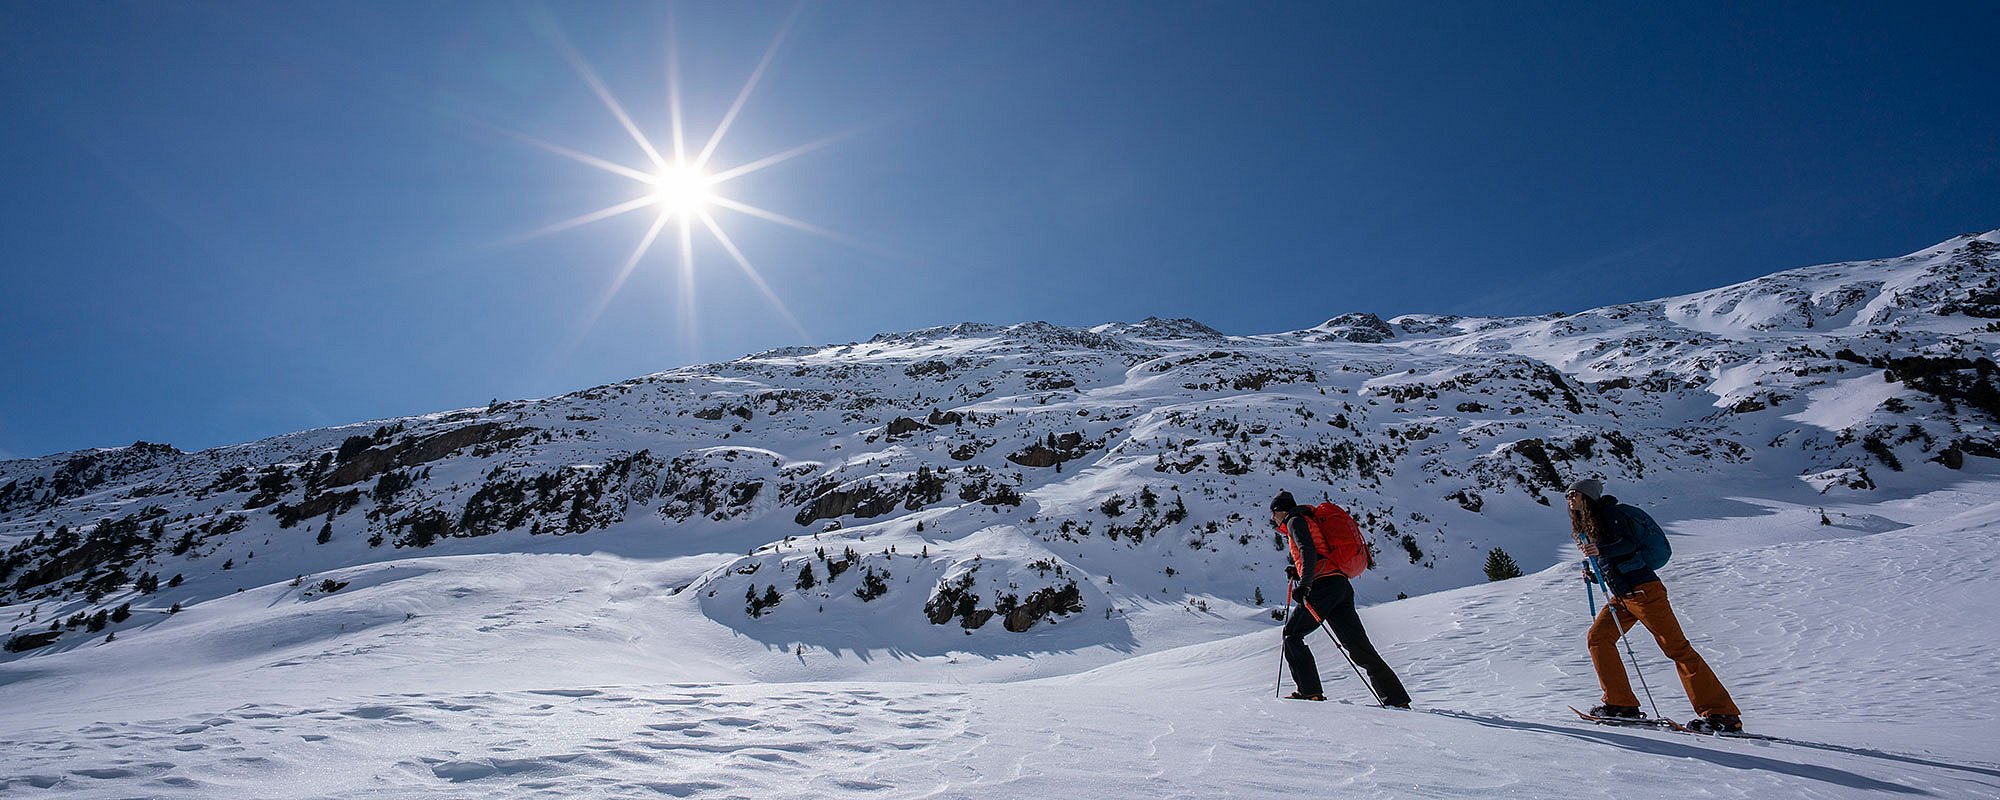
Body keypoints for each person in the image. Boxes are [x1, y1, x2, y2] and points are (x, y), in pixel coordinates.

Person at [1567, 478, 1744, 733]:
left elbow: (1626, 544)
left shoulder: (1610, 514)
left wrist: (1600, 548)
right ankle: (1621, 704)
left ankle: (1722, 713)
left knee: (1677, 649)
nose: (1571, 498)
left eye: (1575, 494)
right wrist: (1595, 574)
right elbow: (1615, 559)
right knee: (1598, 638)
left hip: (1644, 592)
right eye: (1568, 495)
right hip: (1623, 596)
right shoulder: (1591, 522)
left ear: (1589, 496)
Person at [1271, 491, 1411, 707]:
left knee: (1291, 634)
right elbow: (1320, 553)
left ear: (1280, 511)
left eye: (1274, 514)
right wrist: (1299, 573)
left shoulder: (1294, 521)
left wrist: (1306, 583)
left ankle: (1310, 691)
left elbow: (1307, 550)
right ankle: (1396, 699)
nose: (1273, 519)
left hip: (1322, 587)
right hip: (1340, 586)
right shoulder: (1309, 519)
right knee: (1358, 646)